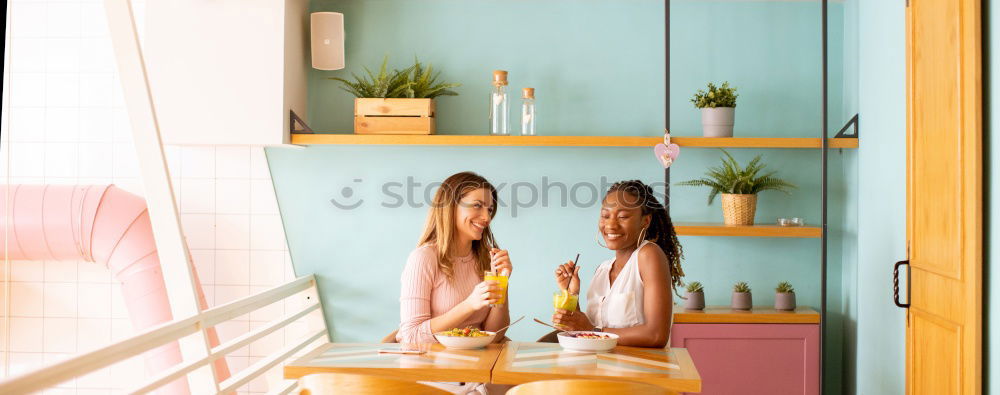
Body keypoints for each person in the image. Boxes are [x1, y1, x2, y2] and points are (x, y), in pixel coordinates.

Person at [551, 180, 684, 347]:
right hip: (599, 367)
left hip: (639, 370)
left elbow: (656, 335)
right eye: (605, 216)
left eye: (622, 217)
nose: (611, 225)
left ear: (645, 221)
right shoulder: (602, 269)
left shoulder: (648, 255)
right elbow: (585, 330)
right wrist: (571, 295)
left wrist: (594, 330)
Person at [397, 171, 513, 344]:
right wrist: (469, 305)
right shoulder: (424, 258)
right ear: (450, 207)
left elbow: (495, 335)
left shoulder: (488, 257)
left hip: (478, 361)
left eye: (489, 209)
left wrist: (502, 285)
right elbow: (410, 336)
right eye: (477, 205)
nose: (487, 217)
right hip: (433, 364)